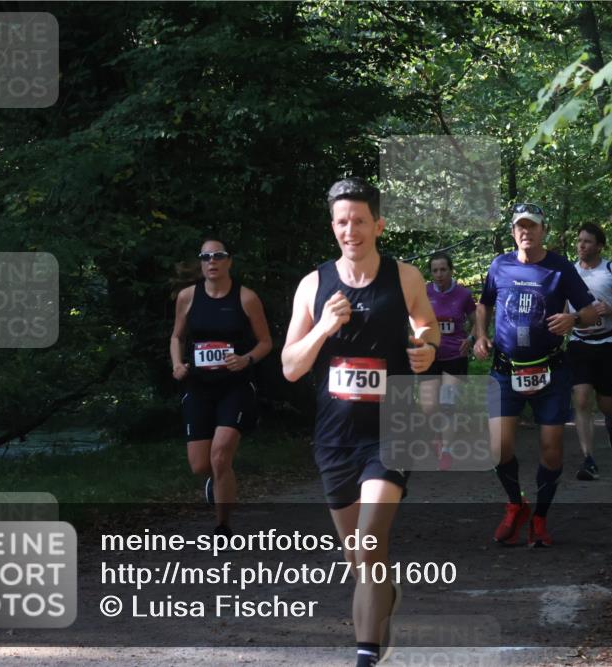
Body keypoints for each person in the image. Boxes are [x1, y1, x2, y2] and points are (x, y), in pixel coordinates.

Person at [281, 177, 438, 667]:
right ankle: (384, 598)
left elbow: (427, 327)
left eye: (361, 221)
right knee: (360, 559)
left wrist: (426, 350)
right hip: (335, 439)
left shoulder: (405, 277)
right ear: (334, 228)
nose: (352, 230)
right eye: (343, 222)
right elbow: (290, 366)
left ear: (378, 225)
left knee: (370, 541)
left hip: (392, 431)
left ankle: (365, 656)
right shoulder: (314, 285)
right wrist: (326, 326)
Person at [474, 203, 598, 548]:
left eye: (532, 226)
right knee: (499, 448)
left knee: (552, 450)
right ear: (513, 232)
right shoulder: (500, 265)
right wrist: (481, 334)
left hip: (551, 370)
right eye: (519, 227)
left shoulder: (560, 268)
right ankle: (517, 504)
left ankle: (540, 517)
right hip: (505, 369)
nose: (525, 232)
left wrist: (574, 320)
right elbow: (483, 303)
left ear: (543, 231)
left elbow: (590, 311)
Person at [169, 239, 273, 536]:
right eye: (205, 257)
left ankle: (222, 524)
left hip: (235, 387)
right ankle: (217, 479)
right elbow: (177, 337)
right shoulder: (188, 297)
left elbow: (265, 342)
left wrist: (247, 359)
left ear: (229, 261)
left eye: (218, 256)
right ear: (201, 263)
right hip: (199, 386)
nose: (211, 261)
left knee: (220, 455)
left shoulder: (246, 298)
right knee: (201, 465)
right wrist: (177, 364)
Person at [565, 223, 612, 481]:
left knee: (605, 402)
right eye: (579, 241)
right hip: (579, 343)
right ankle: (589, 459)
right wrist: (570, 319)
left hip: (608, 344)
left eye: (587, 241)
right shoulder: (568, 272)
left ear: (599, 246)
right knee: (582, 399)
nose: (581, 245)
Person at [419, 252, 476, 470]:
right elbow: (414, 319)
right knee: (428, 406)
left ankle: (447, 451)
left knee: (448, 404)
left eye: (443, 269)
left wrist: (471, 339)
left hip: (455, 357)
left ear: (451, 270)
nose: (439, 274)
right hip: (430, 356)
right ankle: (437, 435)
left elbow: (476, 321)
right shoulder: (424, 292)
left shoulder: (463, 294)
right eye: (435, 270)